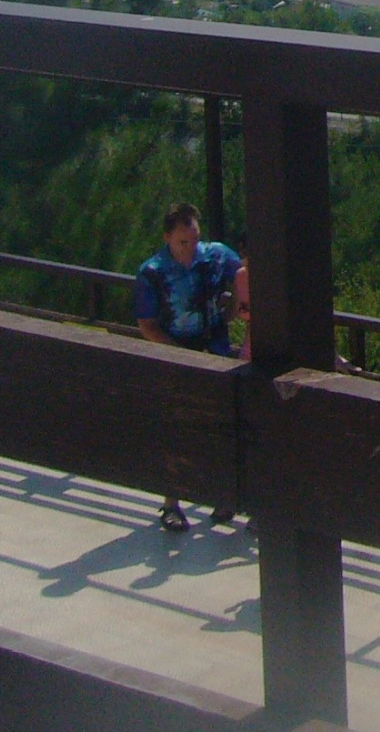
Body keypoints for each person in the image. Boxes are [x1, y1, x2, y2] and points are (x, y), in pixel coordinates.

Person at [132, 200, 243, 531]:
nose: (190, 247)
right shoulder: (152, 272)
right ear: (167, 238)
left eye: (195, 239)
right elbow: (147, 324)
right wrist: (178, 353)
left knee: (223, 424)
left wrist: (234, 308)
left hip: (215, 348)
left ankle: (225, 496)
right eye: (183, 241)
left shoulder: (215, 256)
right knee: (177, 427)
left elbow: (245, 274)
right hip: (176, 354)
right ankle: (171, 503)